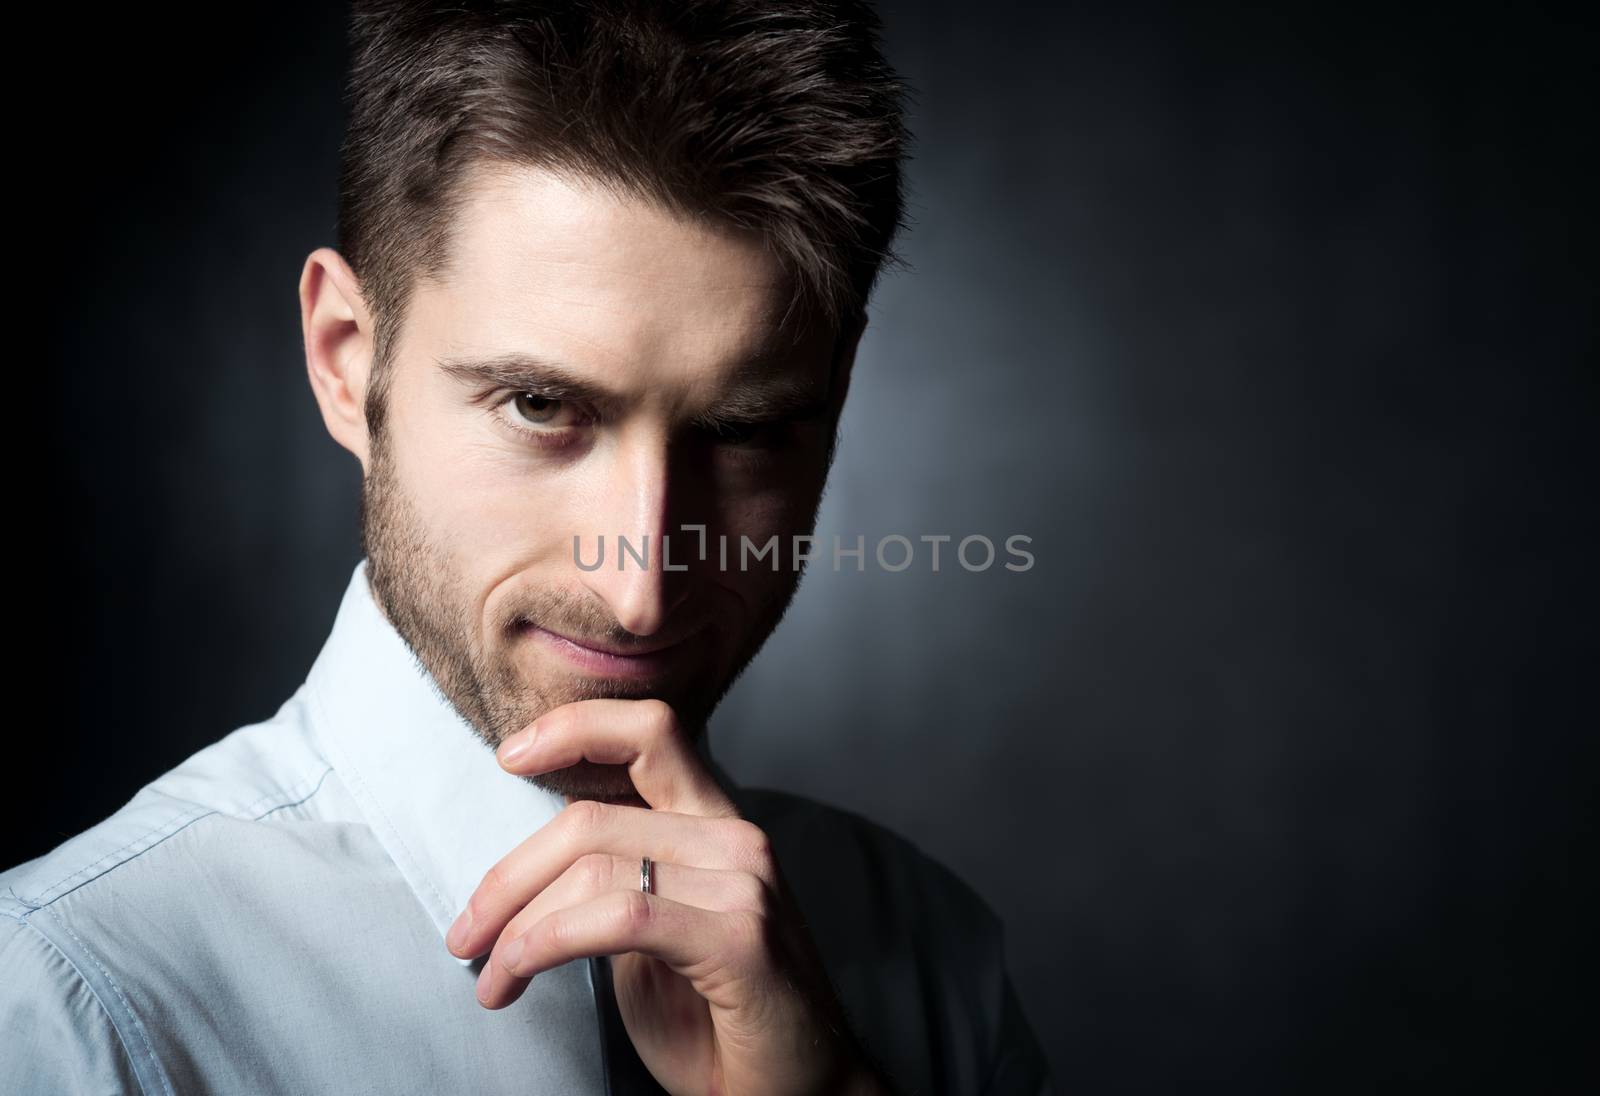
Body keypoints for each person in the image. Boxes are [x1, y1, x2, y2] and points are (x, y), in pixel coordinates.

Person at [1, 2, 1053, 1092]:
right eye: (542, 405)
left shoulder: (927, 952)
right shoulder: (83, 997)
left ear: (835, 397)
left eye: (742, 432)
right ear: (344, 361)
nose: (640, 587)